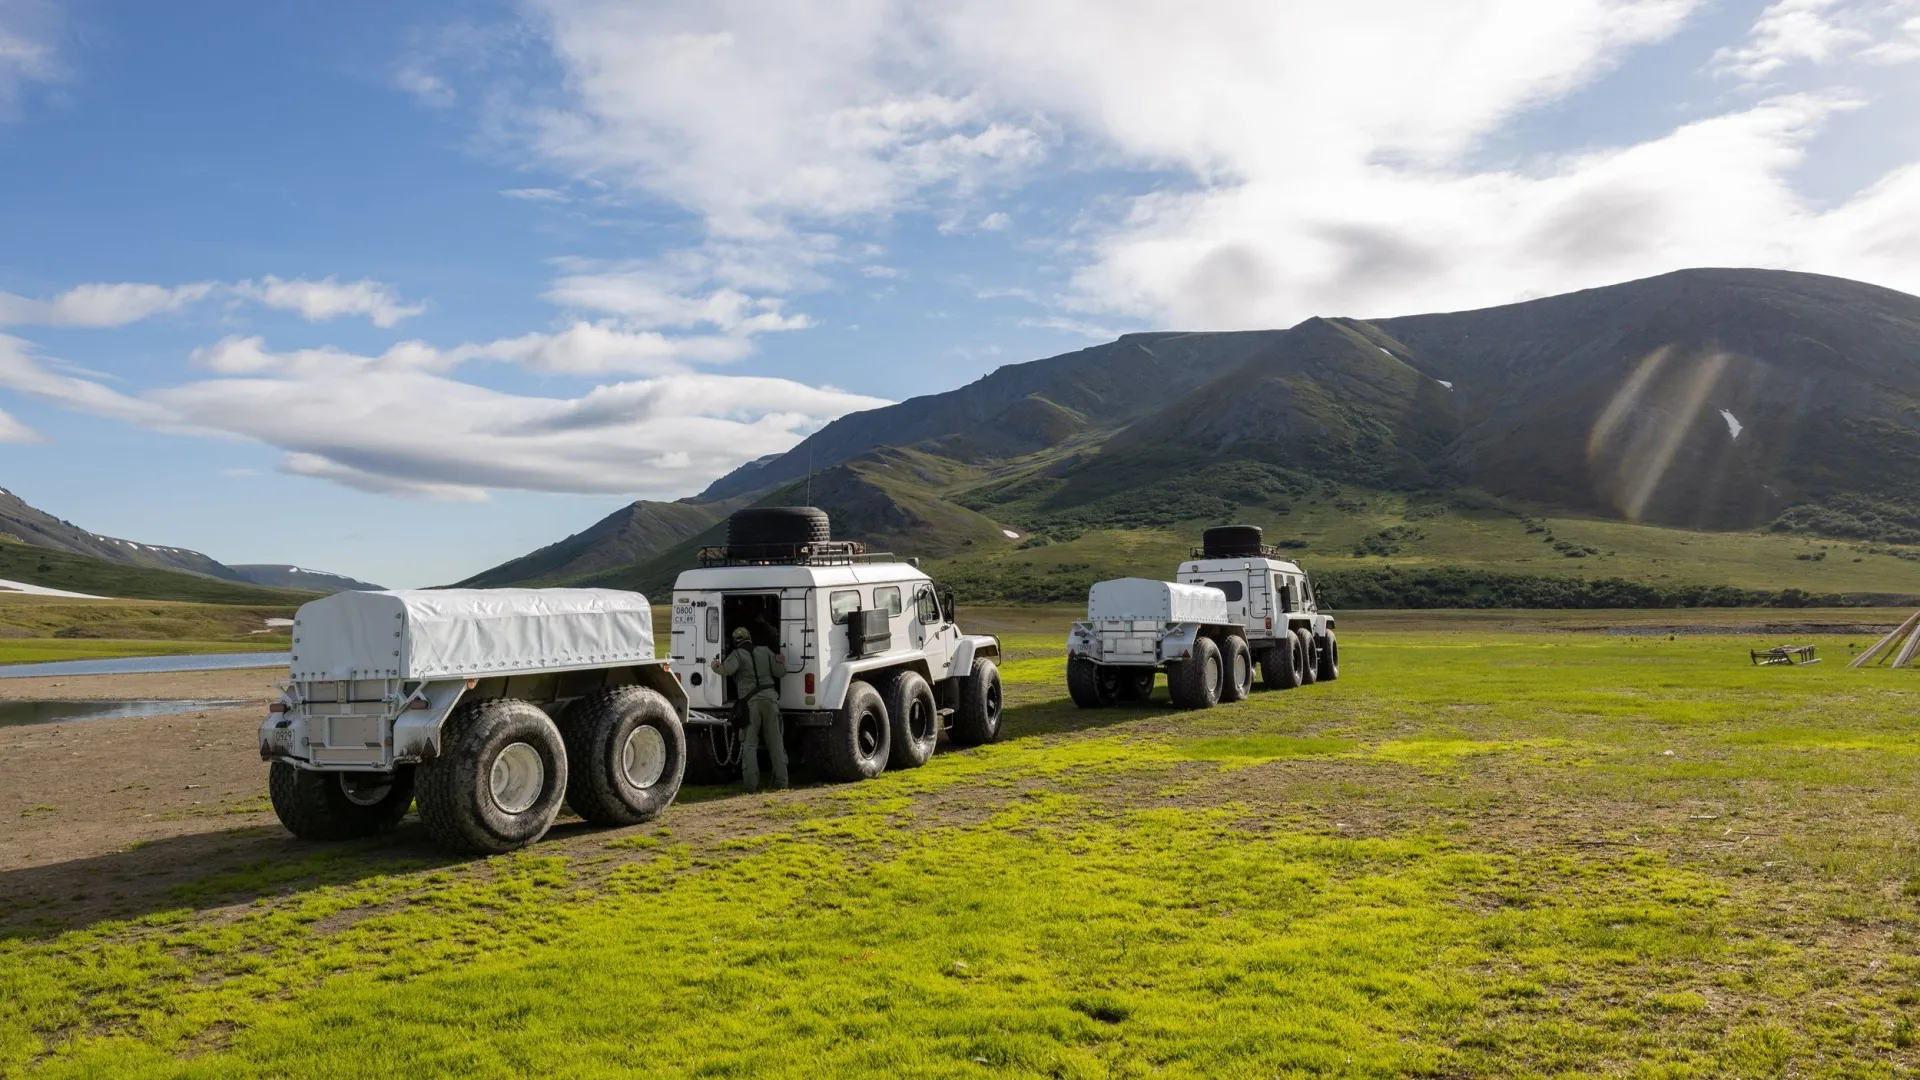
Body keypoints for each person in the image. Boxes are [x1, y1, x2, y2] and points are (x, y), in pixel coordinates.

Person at [712, 626, 788, 792]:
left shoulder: (737, 655)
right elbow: (780, 672)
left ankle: (751, 787)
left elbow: (726, 670)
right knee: (775, 743)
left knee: (750, 745)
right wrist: (780, 660)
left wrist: (715, 665)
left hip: (750, 703)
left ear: (735, 642)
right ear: (750, 638)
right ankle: (782, 783)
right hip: (771, 700)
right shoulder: (765, 651)